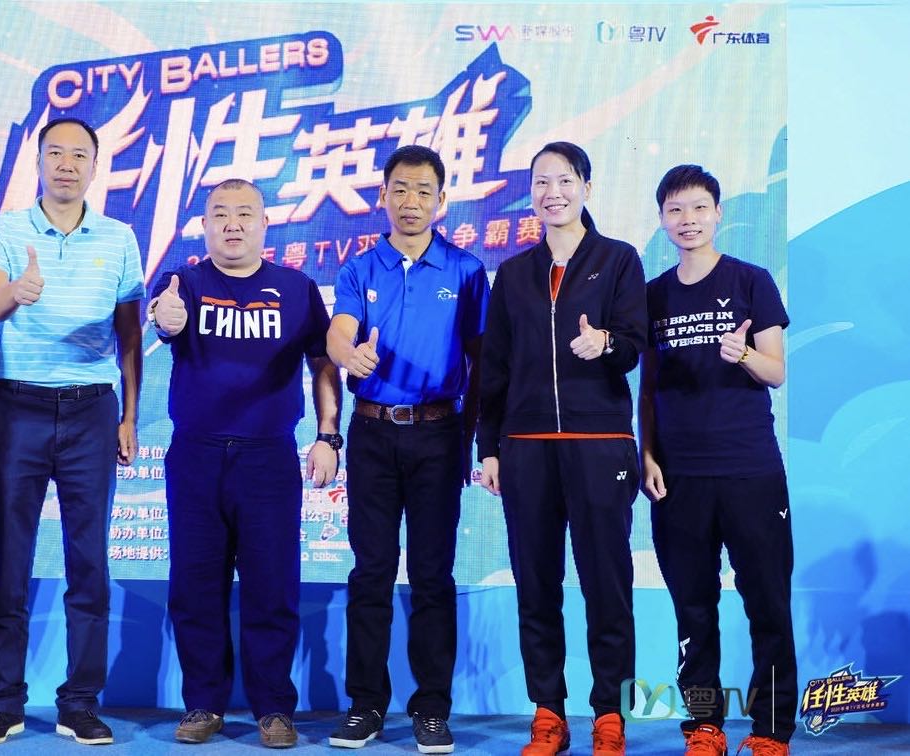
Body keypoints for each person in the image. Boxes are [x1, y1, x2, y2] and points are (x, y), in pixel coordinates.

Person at [147, 179, 341, 749]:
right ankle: (203, 703)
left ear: (264, 224)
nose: (232, 225)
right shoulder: (184, 282)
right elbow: (163, 317)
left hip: (268, 457)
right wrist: (166, 315)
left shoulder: (298, 288)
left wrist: (329, 436)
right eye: (220, 215)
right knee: (195, 585)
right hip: (196, 455)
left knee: (272, 586)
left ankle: (274, 708)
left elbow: (323, 365)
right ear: (204, 225)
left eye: (245, 214)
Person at [0, 117, 144, 746]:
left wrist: (129, 416)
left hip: (91, 411)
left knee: (88, 559)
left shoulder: (119, 237)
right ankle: (3, 702)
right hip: (16, 407)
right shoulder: (2, 230)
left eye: (79, 155)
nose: (66, 164)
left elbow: (130, 336)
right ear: (38, 162)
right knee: (9, 558)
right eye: (55, 154)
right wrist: (18, 291)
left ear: (95, 166)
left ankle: (80, 702)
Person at [476, 141, 647, 756]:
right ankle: (548, 711)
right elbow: (493, 368)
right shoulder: (513, 273)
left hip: (599, 443)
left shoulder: (618, 260)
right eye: (541, 182)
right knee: (536, 584)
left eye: (565, 180)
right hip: (525, 448)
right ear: (531, 194)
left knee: (608, 585)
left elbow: (635, 344)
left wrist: (605, 344)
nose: (553, 192)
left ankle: (609, 714)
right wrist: (489, 447)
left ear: (586, 187)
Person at [325, 145, 489, 755]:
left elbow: (482, 362)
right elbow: (339, 332)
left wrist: (474, 439)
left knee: (431, 574)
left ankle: (432, 709)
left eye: (423, 191)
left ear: (442, 201)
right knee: (370, 570)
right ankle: (365, 705)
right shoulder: (359, 269)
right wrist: (350, 355)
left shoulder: (466, 271)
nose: (411, 201)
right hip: (371, 434)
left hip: (439, 435)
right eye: (400, 189)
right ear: (383, 196)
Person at [640, 165, 794, 756]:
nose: (688, 220)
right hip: (679, 476)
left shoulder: (752, 281)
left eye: (699, 208)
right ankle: (703, 725)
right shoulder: (653, 295)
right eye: (675, 210)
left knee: (767, 604)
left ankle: (770, 730)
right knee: (693, 609)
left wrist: (745, 354)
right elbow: (647, 387)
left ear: (718, 213)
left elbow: (776, 372)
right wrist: (647, 453)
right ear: (662, 219)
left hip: (750, 469)